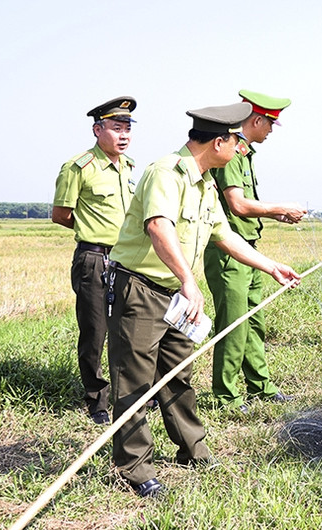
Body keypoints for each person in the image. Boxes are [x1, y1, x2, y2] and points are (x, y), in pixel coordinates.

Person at [105, 103, 301, 498]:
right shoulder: (166, 173)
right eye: (236, 140)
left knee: (179, 374)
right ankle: (135, 468)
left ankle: (192, 449)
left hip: (177, 294)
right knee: (134, 381)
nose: (240, 147)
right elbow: (159, 228)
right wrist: (188, 281)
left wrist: (271, 266)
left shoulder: (205, 181)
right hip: (142, 289)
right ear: (218, 142)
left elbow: (224, 235)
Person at [204, 90, 306, 412]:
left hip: (248, 248)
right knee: (234, 324)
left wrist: (275, 214)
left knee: (253, 321)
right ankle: (226, 396)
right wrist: (279, 205)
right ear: (257, 120)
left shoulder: (244, 154)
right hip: (228, 251)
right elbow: (237, 204)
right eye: (271, 125)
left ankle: (260, 386)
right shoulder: (232, 154)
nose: (272, 132)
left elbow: (243, 208)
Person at [51, 96, 137, 425]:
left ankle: (128, 393)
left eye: (128, 128)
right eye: (117, 128)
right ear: (97, 129)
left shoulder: (129, 166)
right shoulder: (79, 167)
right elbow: (61, 214)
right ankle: (96, 401)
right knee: (94, 332)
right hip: (94, 258)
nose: (124, 134)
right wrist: (92, 228)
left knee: (128, 330)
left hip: (126, 259)